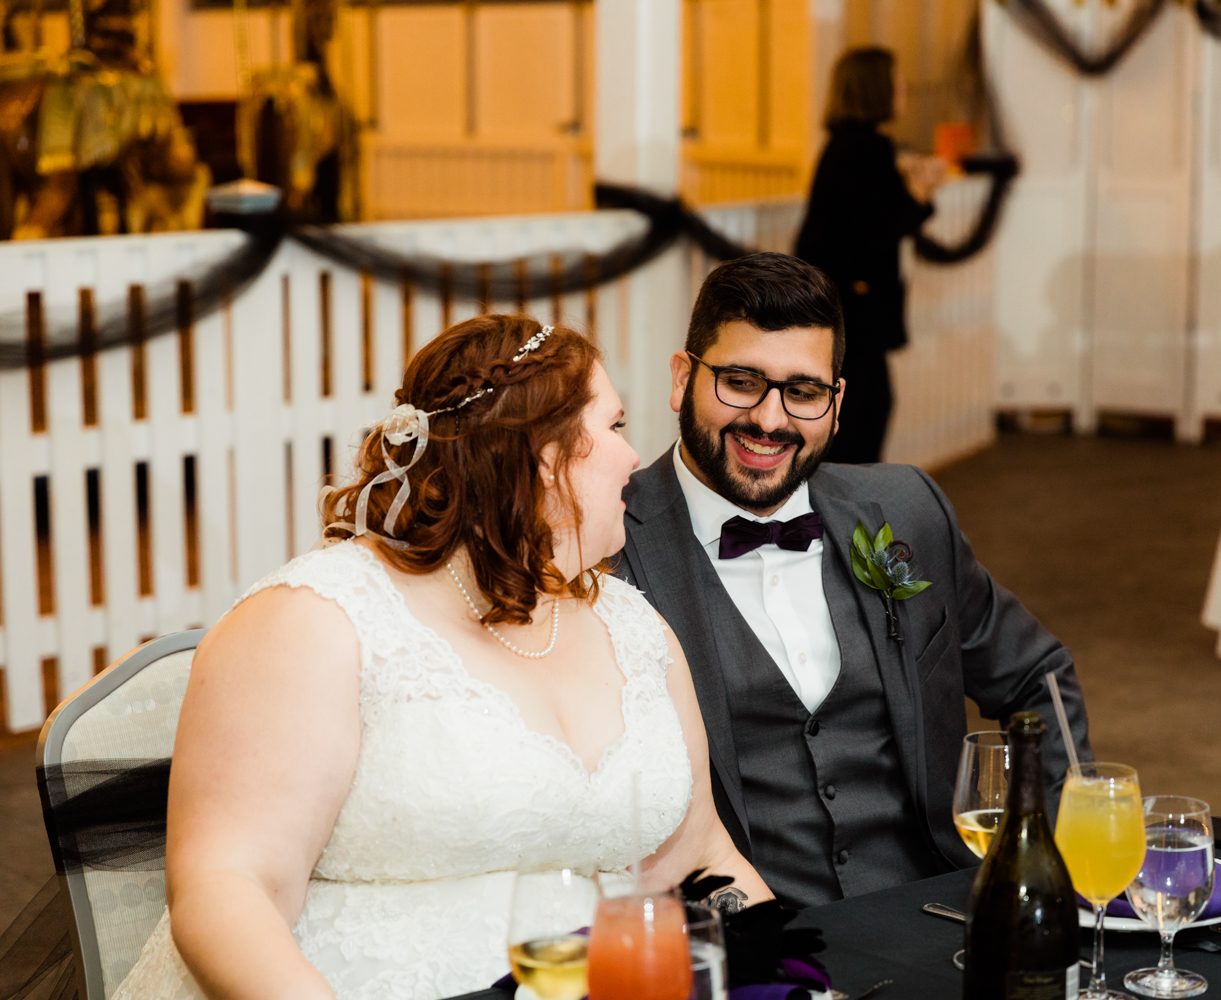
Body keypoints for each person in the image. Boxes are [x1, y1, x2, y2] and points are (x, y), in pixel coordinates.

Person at [113, 315, 770, 1000]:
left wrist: (789, 976)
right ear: (546, 456)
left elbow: (704, 858)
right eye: (615, 426)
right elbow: (228, 887)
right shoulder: (318, 620)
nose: (635, 456)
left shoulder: (634, 627)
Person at [613, 253, 1093, 910]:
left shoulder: (906, 509)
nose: (770, 419)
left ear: (837, 405)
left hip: (941, 918)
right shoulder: (607, 547)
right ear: (680, 378)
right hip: (750, 948)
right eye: (741, 381)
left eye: (803, 392)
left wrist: (1050, 853)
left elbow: (1036, 676)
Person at [794, 46, 949, 464]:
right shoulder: (865, 149)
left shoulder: (849, 145)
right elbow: (878, 229)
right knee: (861, 413)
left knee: (861, 408)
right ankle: (844, 515)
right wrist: (920, 190)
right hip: (851, 305)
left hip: (837, 301)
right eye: (896, 79)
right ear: (875, 86)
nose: (903, 88)